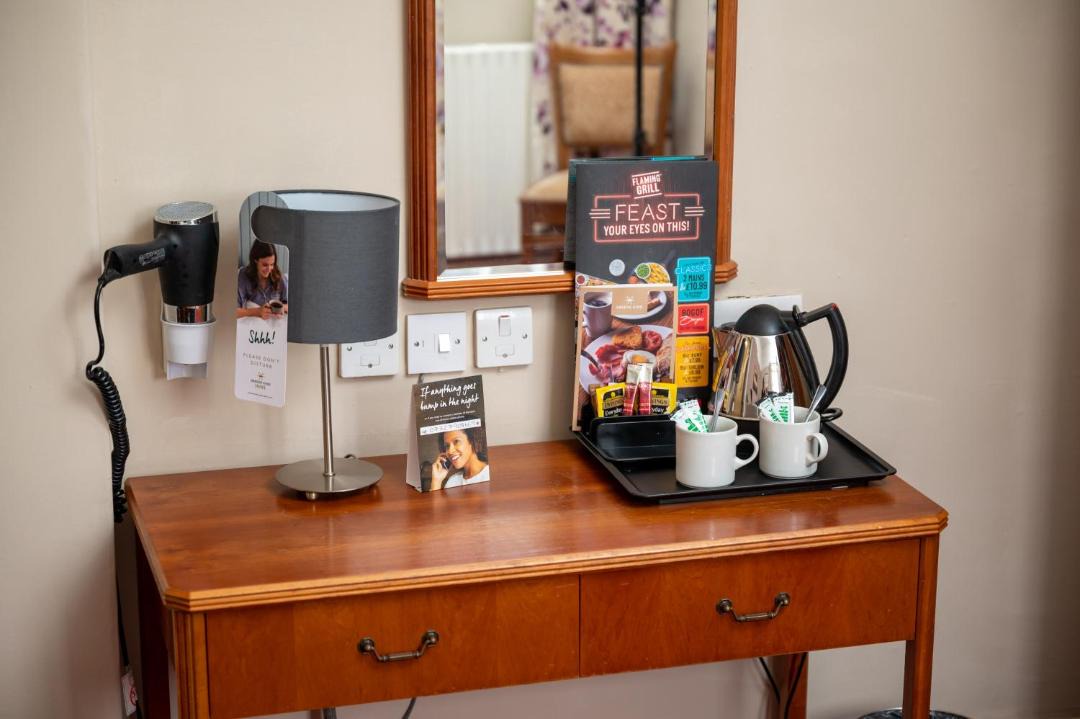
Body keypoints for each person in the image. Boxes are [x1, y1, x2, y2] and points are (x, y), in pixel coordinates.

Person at [236, 241, 288, 319]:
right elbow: (234, 311)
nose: (269, 269)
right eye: (265, 265)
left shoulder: (280, 278)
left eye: (272, 264)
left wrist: (282, 308)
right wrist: (258, 311)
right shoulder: (244, 276)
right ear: (255, 260)